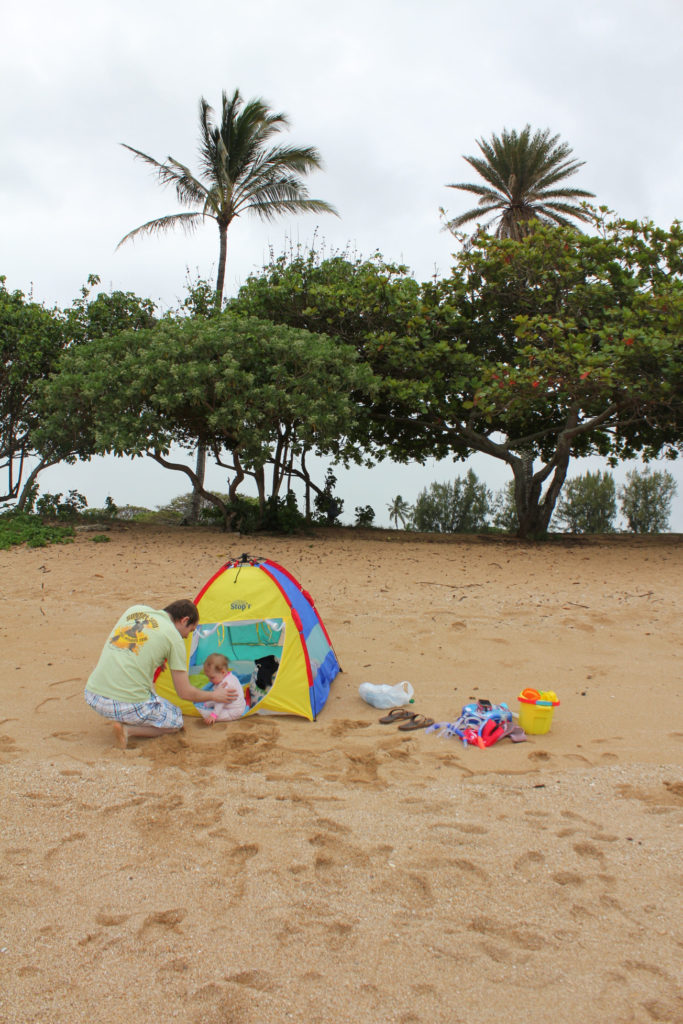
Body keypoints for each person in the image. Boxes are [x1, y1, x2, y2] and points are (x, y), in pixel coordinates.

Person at [84, 599, 233, 748]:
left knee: (147, 692)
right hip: (124, 703)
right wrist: (214, 695)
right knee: (175, 721)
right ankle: (128, 730)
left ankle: (126, 717)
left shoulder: (134, 610)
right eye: (191, 630)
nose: (188, 636)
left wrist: (158, 657)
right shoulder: (174, 639)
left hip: (93, 695)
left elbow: (139, 638)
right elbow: (184, 692)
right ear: (184, 620)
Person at [197, 652, 247, 724]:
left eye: (212, 677)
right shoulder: (230, 676)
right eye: (208, 677)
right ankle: (206, 704)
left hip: (233, 712)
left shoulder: (226, 684)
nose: (209, 680)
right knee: (211, 700)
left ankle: (203, 709)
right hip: (231, 704)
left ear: (223, 672)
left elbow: (220, 702)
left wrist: (213, 715)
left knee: (205, 714)